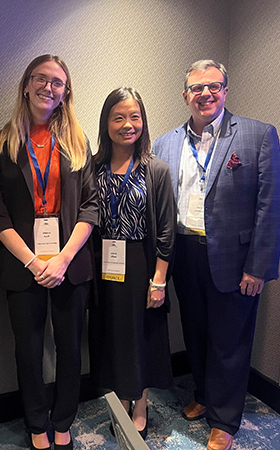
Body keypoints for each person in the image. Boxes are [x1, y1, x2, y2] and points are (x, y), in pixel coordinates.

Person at [153, 60, 280, 450]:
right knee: (195, 332)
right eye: (197, 88)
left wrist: (258, 267)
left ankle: (224, 420)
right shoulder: (165, 143)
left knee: (230, 340)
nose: (205, 94)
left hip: (234, 259)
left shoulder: (257, 135)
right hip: (185, 254)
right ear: (185, 95)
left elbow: (271, 205)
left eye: (214, 86)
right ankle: (204, 393)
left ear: (226, 91)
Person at [0, 54, 98, 450]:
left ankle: (63, 418)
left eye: (58, 82)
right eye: (41, 79)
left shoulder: (78, 142)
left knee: (69, 347)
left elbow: (91, 206)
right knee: (28, 351)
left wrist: (63, 258)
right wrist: (33, 262)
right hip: (22, 267)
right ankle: (36, 422)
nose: (49, 87)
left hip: (71, 264)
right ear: (26, 85)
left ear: (66, 93)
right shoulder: (0, 144)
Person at [90, 87, 176, 439]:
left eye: (134, 117)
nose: (128, 125)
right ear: (106, 122)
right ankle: (120, 398)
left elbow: (167, 230)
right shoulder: (92, 167)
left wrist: (159, 281)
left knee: (140, 336)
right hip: (102, 263)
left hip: (141, 262)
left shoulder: (155, 169)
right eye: (119, 117)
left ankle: (140, 401)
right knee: (110, 333)